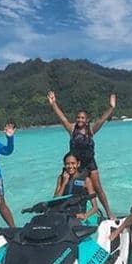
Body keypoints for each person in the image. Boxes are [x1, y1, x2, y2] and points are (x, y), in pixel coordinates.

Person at [47, 90, 116, 219]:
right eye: (78, 117)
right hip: (76, 165)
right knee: (68, 185)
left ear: (87, 120)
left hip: (90, 163)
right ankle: (66, 211)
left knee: (98, 188)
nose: (79, 119)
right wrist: (53, 104)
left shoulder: (91, 130)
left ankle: (108, 212)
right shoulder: (72, 130)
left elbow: (102, 119)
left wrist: (111, 107)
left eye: (82, 118)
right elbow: (62, 118)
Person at [54, 152, 98, 222]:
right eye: (67, 164)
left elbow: (95, 207)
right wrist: (64, 183)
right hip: (63, 213)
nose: (70, 166)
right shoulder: (61, 178)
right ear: (64, 165)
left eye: (73, 163)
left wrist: (85, 215)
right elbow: (56, 199)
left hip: (77, 215)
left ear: (78, 164)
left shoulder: (86, 180)